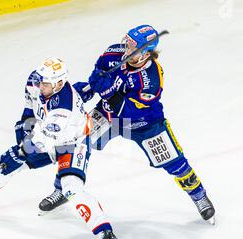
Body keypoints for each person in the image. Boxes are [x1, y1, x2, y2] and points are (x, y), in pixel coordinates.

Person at [0, 57, 119, 239]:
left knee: (71, 187)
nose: (40, 86)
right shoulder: (36, 81)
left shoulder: (63, 110)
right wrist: (24, 125)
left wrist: (19, 152)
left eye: (46, 84)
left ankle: (105, 234)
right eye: (41, 81)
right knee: (7, 167)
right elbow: (30, 106)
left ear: (59, 84)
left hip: (73, 142)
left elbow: (39, 143)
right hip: (46, 135)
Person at [39, 25, 216, 224]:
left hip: (144, 124)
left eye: (132, 47)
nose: (126, 49)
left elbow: (131, 111)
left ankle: (199, 196)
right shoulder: (112, 54)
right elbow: (94, 83)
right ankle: (61, 188)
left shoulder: (152, 78)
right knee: (74, 142)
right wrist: (81, 92)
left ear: (145, 53)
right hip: (107, 115)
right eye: (127, 43)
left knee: (173, 161)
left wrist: (107, 92)